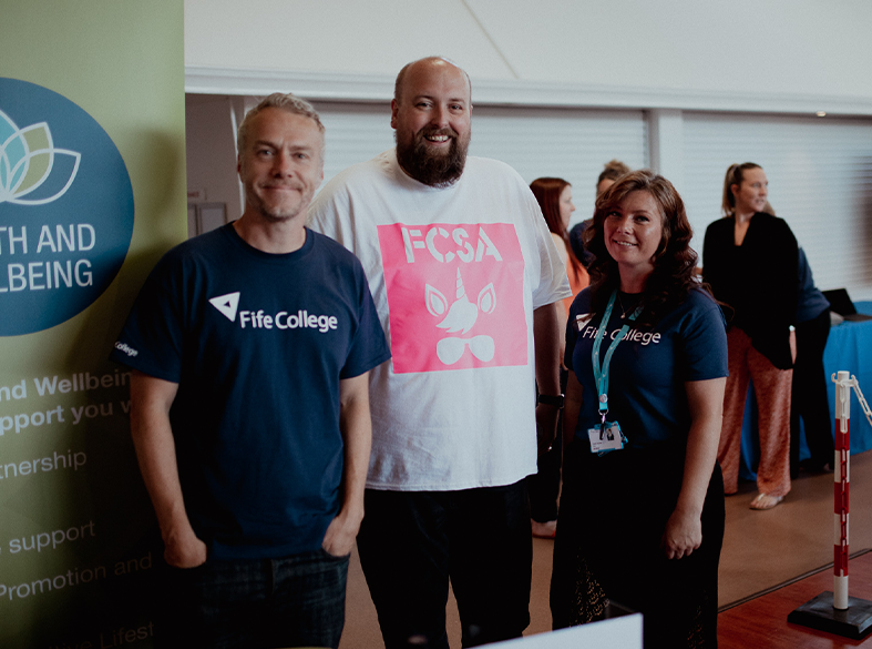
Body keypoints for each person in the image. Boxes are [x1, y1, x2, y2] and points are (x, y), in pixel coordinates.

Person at [110, 94, 391, 649]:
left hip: (316, 548)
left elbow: (355, 401)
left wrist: (352, 514)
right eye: (266, 151)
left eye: (300, 155)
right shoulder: (187, 271)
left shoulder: (342, 271)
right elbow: (148, 407)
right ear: (241, 164)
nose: (284, 167)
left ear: (318, 169)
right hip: (211, 554)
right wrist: (177, 532)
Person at [308, 56, 570, 648]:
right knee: (414, 634)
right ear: (395, 112)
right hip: (397, 474)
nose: (440, 120)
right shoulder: (345, 199)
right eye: (425, 103)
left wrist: (550, 398)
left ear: (470, 116)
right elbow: (316, 339)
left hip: (498, 465)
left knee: (501, 628)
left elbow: (544, 301)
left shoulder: (504, 185)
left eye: (455, 106)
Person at [550, 170, 728, 648]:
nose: (622, 226)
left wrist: (688, 511)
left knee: (663, 625)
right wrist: (570, 480)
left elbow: (708, 417)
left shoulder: (694, 309)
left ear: (667, 232)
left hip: (665, 483)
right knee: (588, 617)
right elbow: (579, 394)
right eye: (614, 213)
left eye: (640, 217)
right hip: (597, 482)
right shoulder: (588, 302)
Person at [703, 163, 798, 510]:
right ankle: (722, 478)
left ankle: (774, 485)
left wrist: (789, 331)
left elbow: (791, 286)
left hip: (770, 335)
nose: (762, 192)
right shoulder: (716, 231)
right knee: (723, 411)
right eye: (755, 185)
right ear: (735, 189)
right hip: (728, 333)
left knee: (773, 413)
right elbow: (711, 286)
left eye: (765, 185)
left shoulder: (777, 229)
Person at [528, 177, 589, 538]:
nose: (573, 208)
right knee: (550, 442)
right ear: (551, 205)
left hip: (570, 351)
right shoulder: (551, 240)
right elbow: (555, 307)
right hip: (563, 355)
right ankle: (543, 515)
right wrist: (569, 355)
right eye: (568, 200)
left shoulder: (560, 241)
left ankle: (545, 510)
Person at [791, 246, 833, 475]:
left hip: (809, 320)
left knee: (807, 391)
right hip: (811, 318)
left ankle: (822, 457)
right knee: (808, 390)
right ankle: (822, 456)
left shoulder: (783, 247)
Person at [569, 159, 631, 267]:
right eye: (601, 194)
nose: (605, 200)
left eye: (612, 194)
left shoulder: (629, 232)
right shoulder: (580, 232)